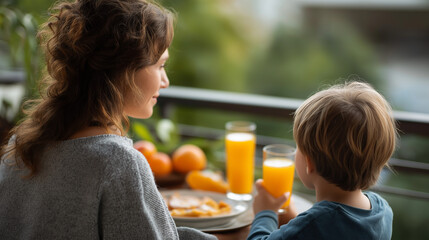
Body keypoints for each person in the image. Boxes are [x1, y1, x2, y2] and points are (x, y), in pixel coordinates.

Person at [0, 0, 216, 239]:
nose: (165, 81)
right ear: (124, 68)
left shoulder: (19, 146)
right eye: (160, 65)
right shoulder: (118, 163)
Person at [248, 81, 397, 240]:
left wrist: (265, 213)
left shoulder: (314, 224)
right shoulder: (383, 211)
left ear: (309, 162)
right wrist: (295, 219)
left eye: (298, 146)